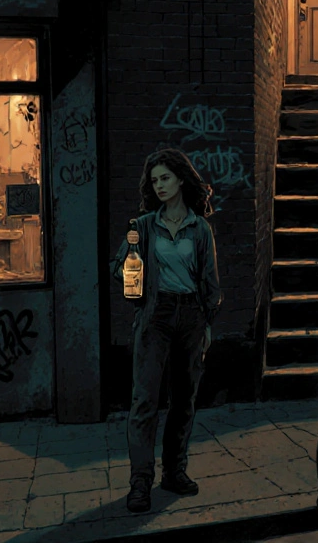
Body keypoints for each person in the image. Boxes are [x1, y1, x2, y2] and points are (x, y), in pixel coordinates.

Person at [110, 148, 222, 513]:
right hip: (155, 317)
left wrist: (207, 323)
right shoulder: (142, 226)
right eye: (154, 180)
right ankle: (139, 484)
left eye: (165, 178)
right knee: (144, 402)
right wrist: (129, 268)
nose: (159, 185)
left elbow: (210, 282)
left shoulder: (200, 228)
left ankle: (174, 473)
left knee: (183, 401)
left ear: (181, 180)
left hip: (190, 316)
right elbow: (119, 269)